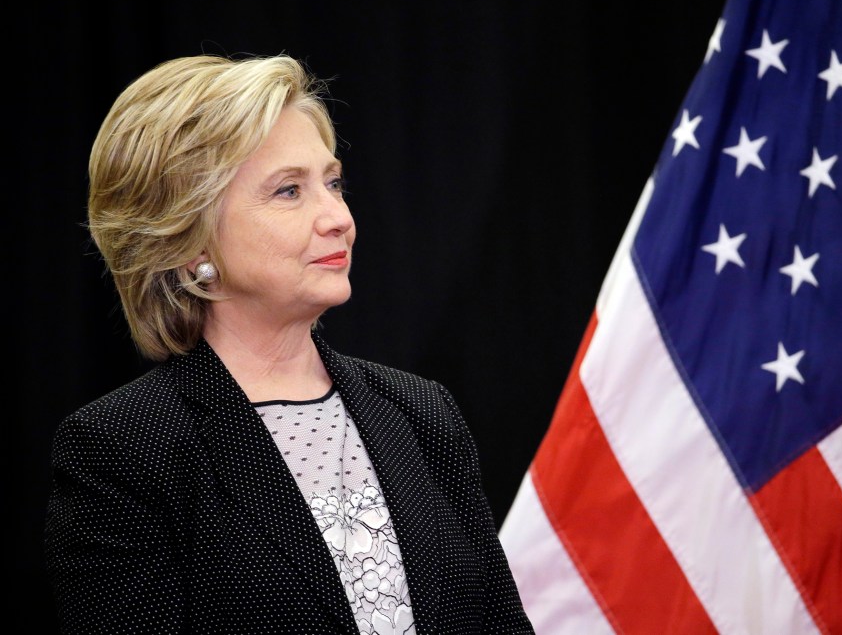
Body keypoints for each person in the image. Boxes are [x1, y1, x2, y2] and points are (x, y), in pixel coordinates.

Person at [44, 53, 534, 635]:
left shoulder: (422, 412)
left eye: (332, 183)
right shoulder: (121, 450)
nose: (338, 218)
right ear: (188, 242)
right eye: (288, 192)